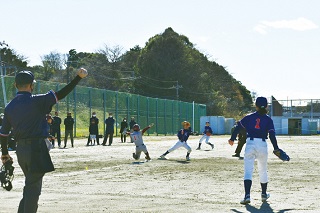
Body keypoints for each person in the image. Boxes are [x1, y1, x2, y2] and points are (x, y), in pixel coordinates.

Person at [0, 68, 88, 213]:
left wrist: (4, 154)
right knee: (33, 190)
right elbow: (62, 93)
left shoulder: (9, 106)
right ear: (31, 85)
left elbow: (3, 134)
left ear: (16, 85)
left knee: (30, 186)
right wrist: (78, 77)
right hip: (36, 149)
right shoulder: (38, 100)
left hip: (20, 150)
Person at [228, 96, 282, 205]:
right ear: (266, 106)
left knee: (248, 170)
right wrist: (276, 148)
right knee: (263, 169)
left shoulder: (249, 117)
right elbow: (272, 135)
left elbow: (238, 127)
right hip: (262, 144)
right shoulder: (268, 119)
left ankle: (247, 195)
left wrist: (232, 138)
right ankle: (263, 194)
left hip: (250, 144)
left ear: (255, 105)